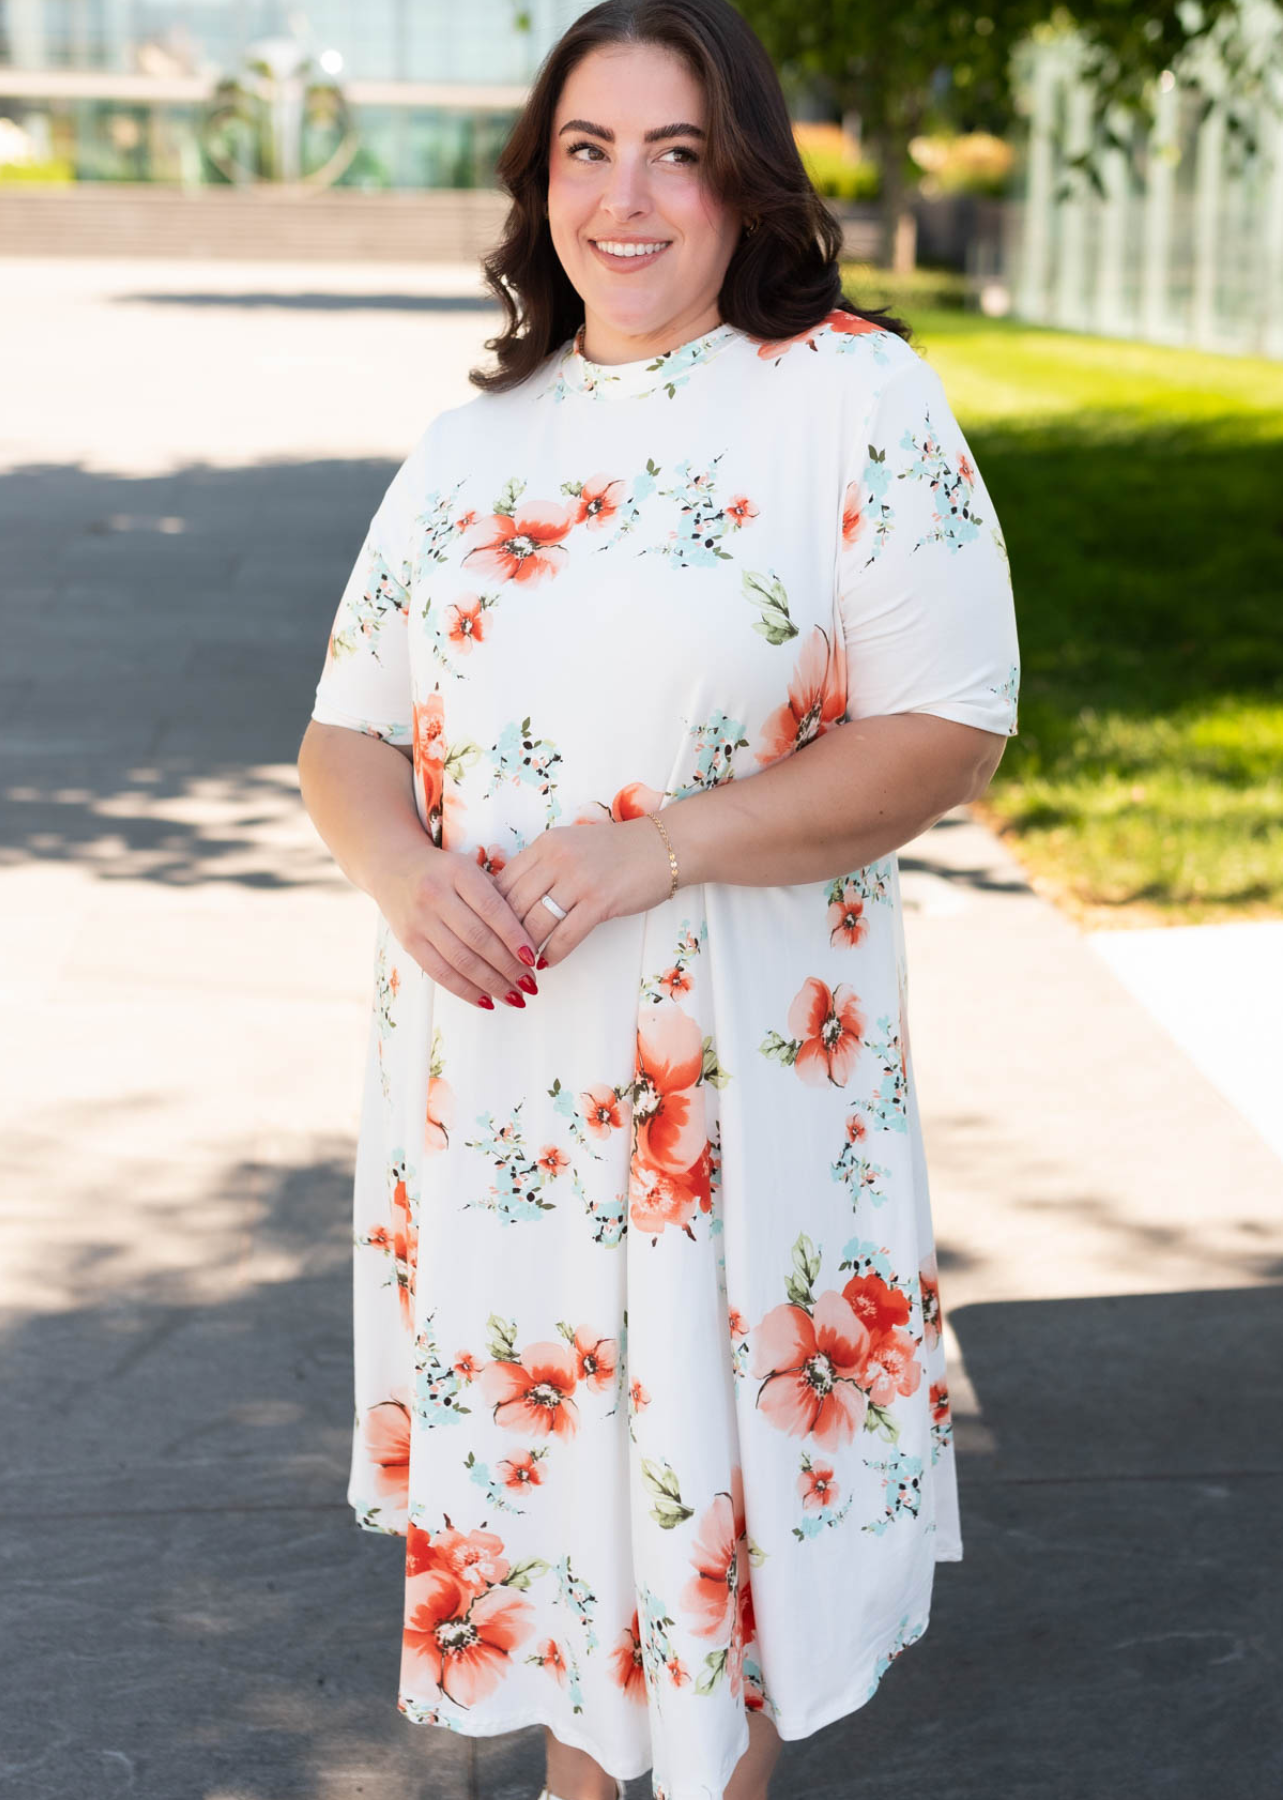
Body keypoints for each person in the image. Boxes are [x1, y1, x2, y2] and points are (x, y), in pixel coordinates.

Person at [296, 3, 1020, 1796]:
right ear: (539, 179)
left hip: (727, 1090)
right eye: (584, 152)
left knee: (709, 1594)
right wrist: (397, 866)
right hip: (500, 1106)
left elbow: (948, 732)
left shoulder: (850, 394)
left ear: (743, 176)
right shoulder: (475, 447)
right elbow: (344, 735)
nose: (624, 200)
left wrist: (664, 843)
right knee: (567, 1582)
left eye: (673, 153)